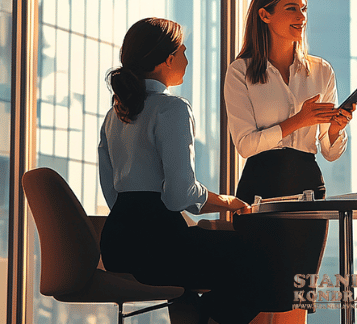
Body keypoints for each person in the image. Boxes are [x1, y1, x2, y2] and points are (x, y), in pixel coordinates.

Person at [98, 17, 259, 324]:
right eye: (184, 50)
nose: (187, 57)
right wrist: (227, 202)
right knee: (256, 260)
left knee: (204, 271)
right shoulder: (172, 109)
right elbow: (178, 196)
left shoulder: (112, 115)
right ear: (168, 59)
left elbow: (111, 193)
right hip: (157, 246)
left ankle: (196, 314)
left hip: (116, 244)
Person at [224, 0, 353, 311]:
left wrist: (336, 130)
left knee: (297, 301)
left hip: (309, 185)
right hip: (259, 187)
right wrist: (298, 120)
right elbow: (246, 145)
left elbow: (328, 150)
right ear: (265, 15)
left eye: (304, 9)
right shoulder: (240, 72)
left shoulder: (321, 71)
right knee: (255, 299)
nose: (301, 16)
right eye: (291, 8)